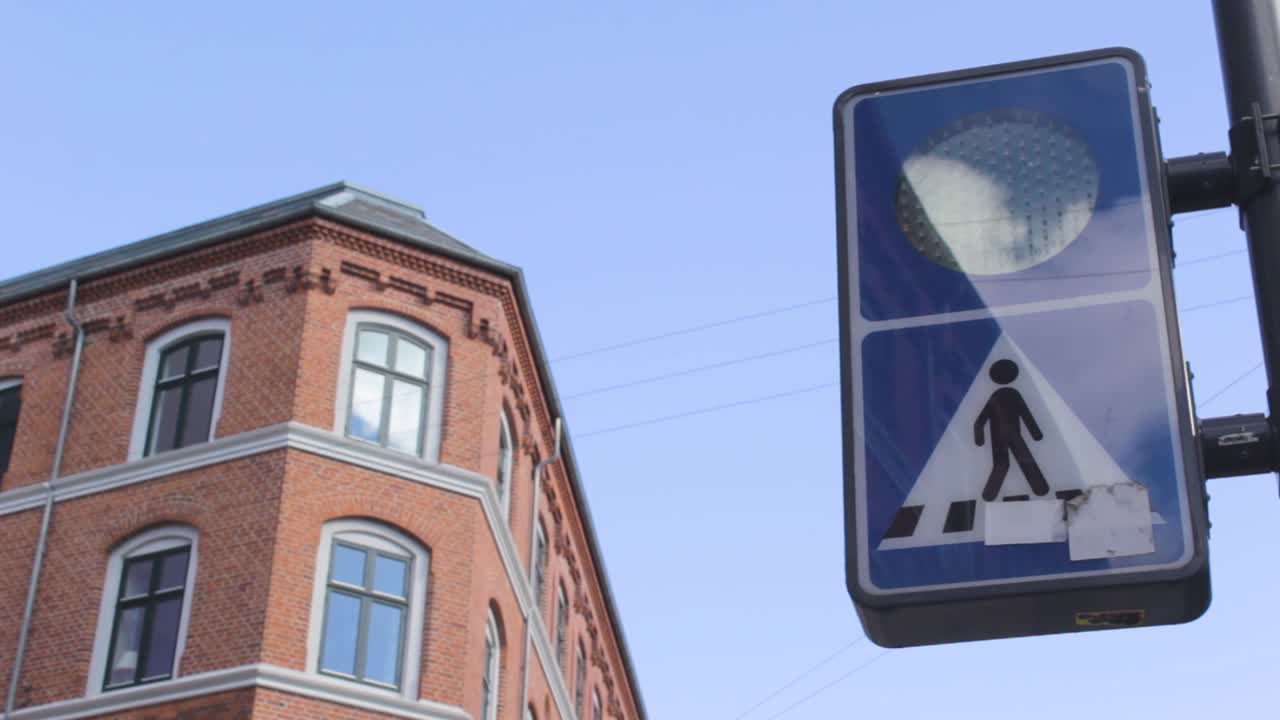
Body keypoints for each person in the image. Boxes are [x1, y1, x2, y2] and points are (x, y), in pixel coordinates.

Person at [974, 358, 1049, 501]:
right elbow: (1026, 414)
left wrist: (979, 438)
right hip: (1012, 435)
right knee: (1020, 461)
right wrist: (1036, 434)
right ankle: (1040, 488)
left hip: (1001, 436)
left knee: (1003, 464)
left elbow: (981, 419)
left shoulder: (999, 395)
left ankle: (989, 495)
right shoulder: (1010, 394)